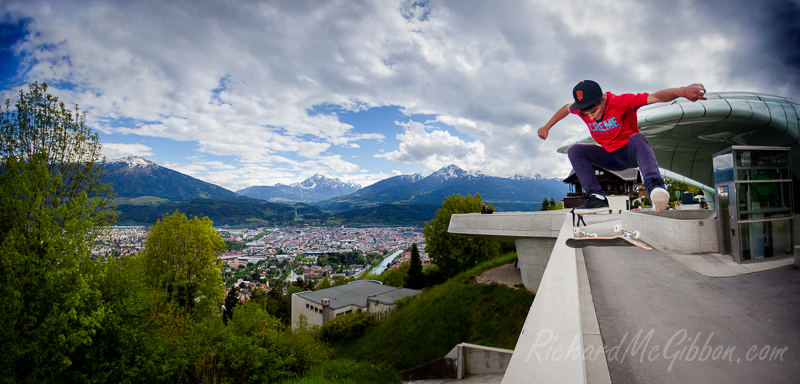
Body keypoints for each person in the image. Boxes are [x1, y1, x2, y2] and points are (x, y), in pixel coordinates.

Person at [538, 80, 707, 213]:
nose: (592, 117)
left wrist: (681, 91)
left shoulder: (622, 102)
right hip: (609, 157)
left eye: (595, 111)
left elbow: (655, 97)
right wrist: (547, 126)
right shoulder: (581, 110)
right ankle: (597, 198)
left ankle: (655, 186)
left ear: (603, 98)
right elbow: (565, 109)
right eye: (587, 114)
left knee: (637, 138)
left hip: (630, 153)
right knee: (575, 149)